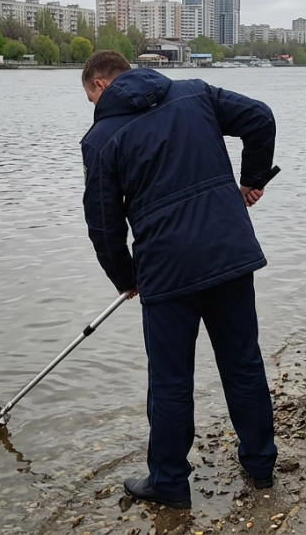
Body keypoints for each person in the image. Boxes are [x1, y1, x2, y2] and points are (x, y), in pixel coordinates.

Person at [79, 50, 278, 509]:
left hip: (166, 269)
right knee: (243, 362)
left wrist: (125, 278)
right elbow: (260, 118)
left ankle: (169, 481)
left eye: (89, 96)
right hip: (228, 252)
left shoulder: (101, 139)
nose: (92, 106)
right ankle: (261, 464)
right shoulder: (196, 93)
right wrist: (252, 179)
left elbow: (104, 224)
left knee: (170, 379)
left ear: (101, 86)